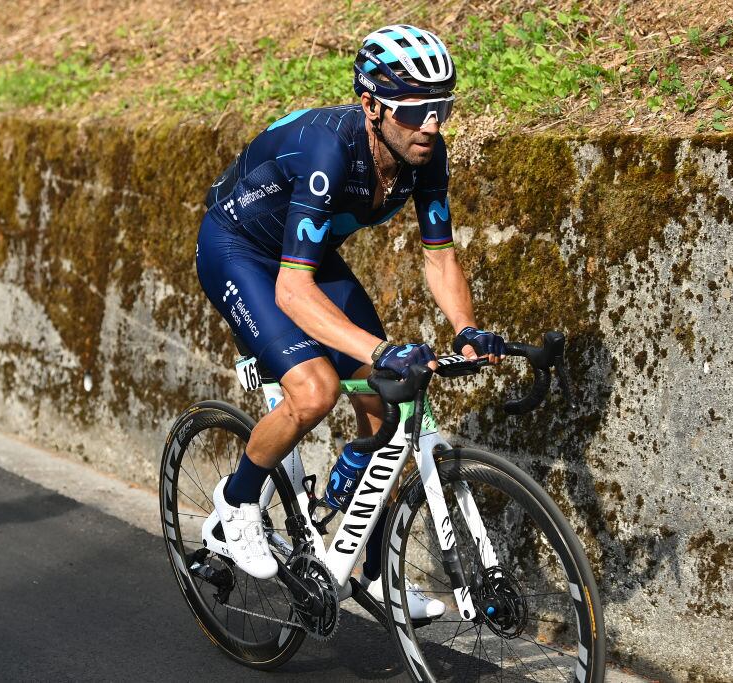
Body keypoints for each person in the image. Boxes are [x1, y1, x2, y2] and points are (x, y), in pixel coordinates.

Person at [196, 25, 506, 618]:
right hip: (238, 249)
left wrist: (467, 329)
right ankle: (234, 507)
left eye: (442, 108)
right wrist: (381, 348)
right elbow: (292, 290)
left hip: (302, 256)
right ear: (371, 104)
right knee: (315, 391)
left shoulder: (425, 154)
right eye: (417, 111)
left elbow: (439, 257)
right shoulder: (328, 151)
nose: (432, 125)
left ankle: (365, 570)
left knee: (387, 407)